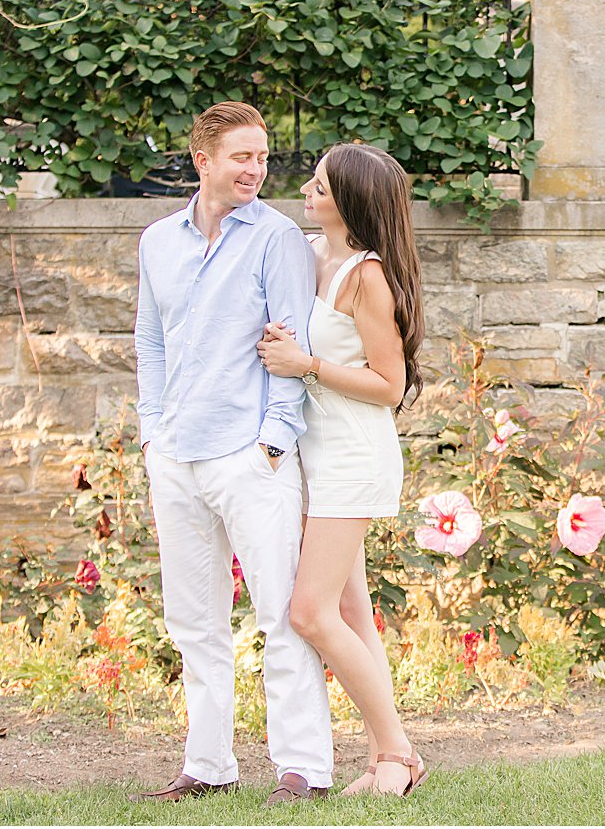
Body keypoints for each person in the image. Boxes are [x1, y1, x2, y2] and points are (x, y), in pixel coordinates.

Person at [132, 102, 336, 807]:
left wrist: (276, 441)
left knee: (280, 612)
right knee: (194, 619)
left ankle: (302, 766)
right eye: (241, 156)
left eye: (262, 155)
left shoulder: (278, 239)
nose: (255, 169)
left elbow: (291, 338)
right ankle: (208, 762)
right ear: (203, 160)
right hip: (177, 454)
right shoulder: (158, 241)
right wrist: (151, 431)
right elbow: (151, 341)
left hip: (252, 455)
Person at [257, 142, 428, 797]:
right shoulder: (309, 252)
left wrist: (308, 366)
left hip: (354, 456)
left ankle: (400, 755)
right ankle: (390, 757)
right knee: (353, 613)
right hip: (316, 453)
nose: (307, 189)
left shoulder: (366, 275)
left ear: (350, 201)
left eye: (322, 186)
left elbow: (390, 383)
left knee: (310, 610)